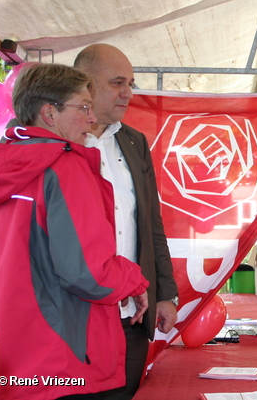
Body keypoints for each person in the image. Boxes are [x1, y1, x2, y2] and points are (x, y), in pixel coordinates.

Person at [0, 63, 150, 399]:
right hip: (63, 357)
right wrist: (135, 279)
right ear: (49, 113)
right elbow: (90, 274)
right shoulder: (65, 167)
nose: (92, 119)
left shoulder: (1, 164)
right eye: (84, 108)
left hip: (8, 354)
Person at [73, 44, 178, 399]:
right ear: (85, 83)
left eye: (131, 83)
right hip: (76, 316)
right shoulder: (61, 139)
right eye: (118, 82)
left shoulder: (134, 142)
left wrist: (165, 293)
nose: (128, 93)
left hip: (133, 313)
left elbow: (151, 224)